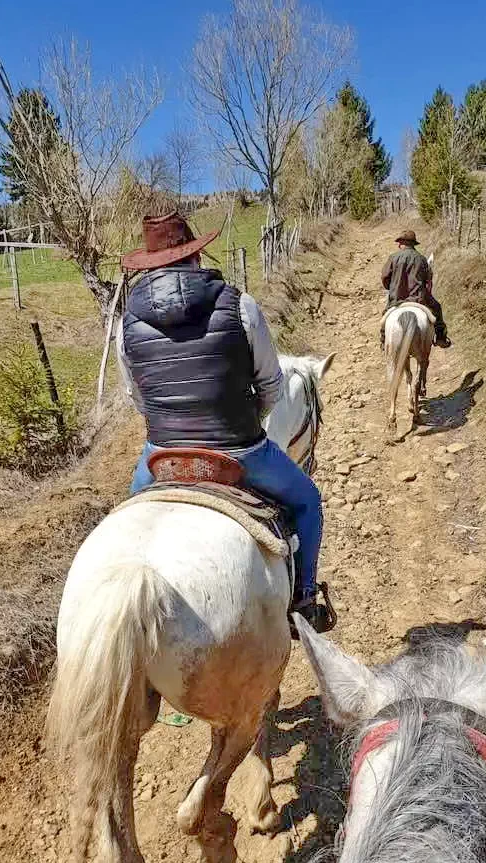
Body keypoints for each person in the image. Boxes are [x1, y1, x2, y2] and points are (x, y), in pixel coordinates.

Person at [117, 211, 334, 633]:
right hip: (240, 449)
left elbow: (136, 398)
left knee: (125, 523)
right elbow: (271, 384)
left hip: (162, 452)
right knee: (308, 500)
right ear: (195, 256)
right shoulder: (240, 305)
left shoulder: (128, 323)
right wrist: (248, 420)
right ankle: (305, 598)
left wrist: (169, 423)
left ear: (148, 265)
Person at [380, 229, 451, 348]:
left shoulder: (393, 257)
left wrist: (392, 288)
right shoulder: (422, 259)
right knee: (437, 308)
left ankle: (384, 339)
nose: (398, 245)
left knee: (385, 315)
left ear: (403, 243)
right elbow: (428, 280)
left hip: (397, 297)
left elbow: (385, 277)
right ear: (413, 244)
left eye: (400, 242)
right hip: (418, 298)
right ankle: (440, 338)